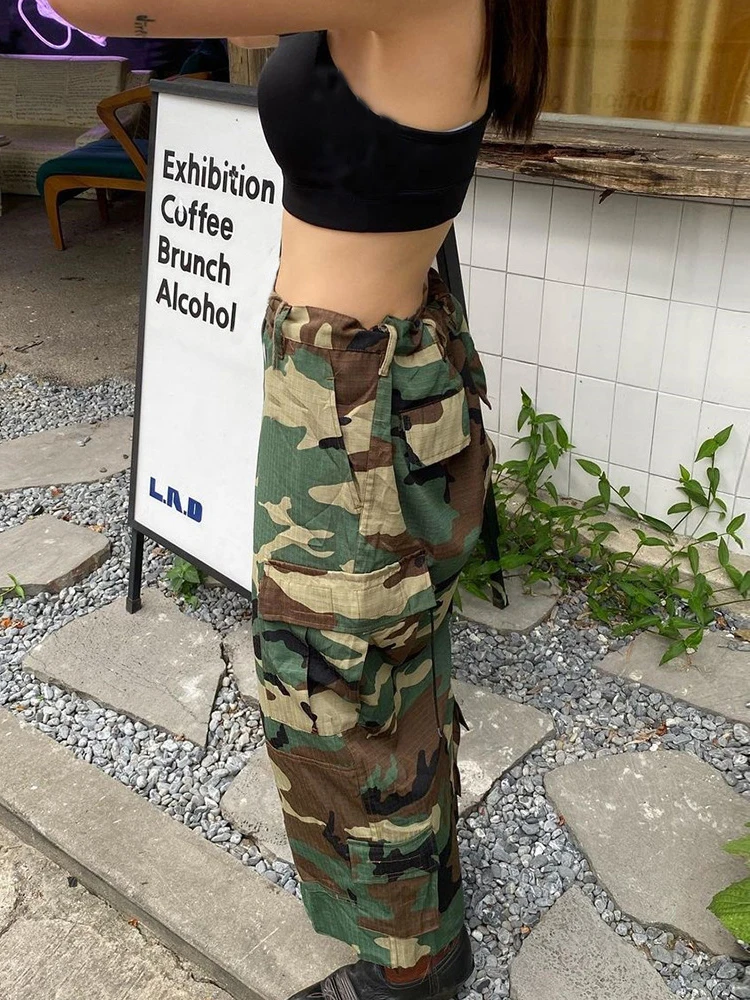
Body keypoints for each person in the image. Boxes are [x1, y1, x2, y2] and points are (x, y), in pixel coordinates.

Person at [49, 1, 548, 996]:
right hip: (359, 384)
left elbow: (104, 6)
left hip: (354, 405)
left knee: (337, 697)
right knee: (385, 678)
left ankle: (408, 974)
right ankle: (426, 929)